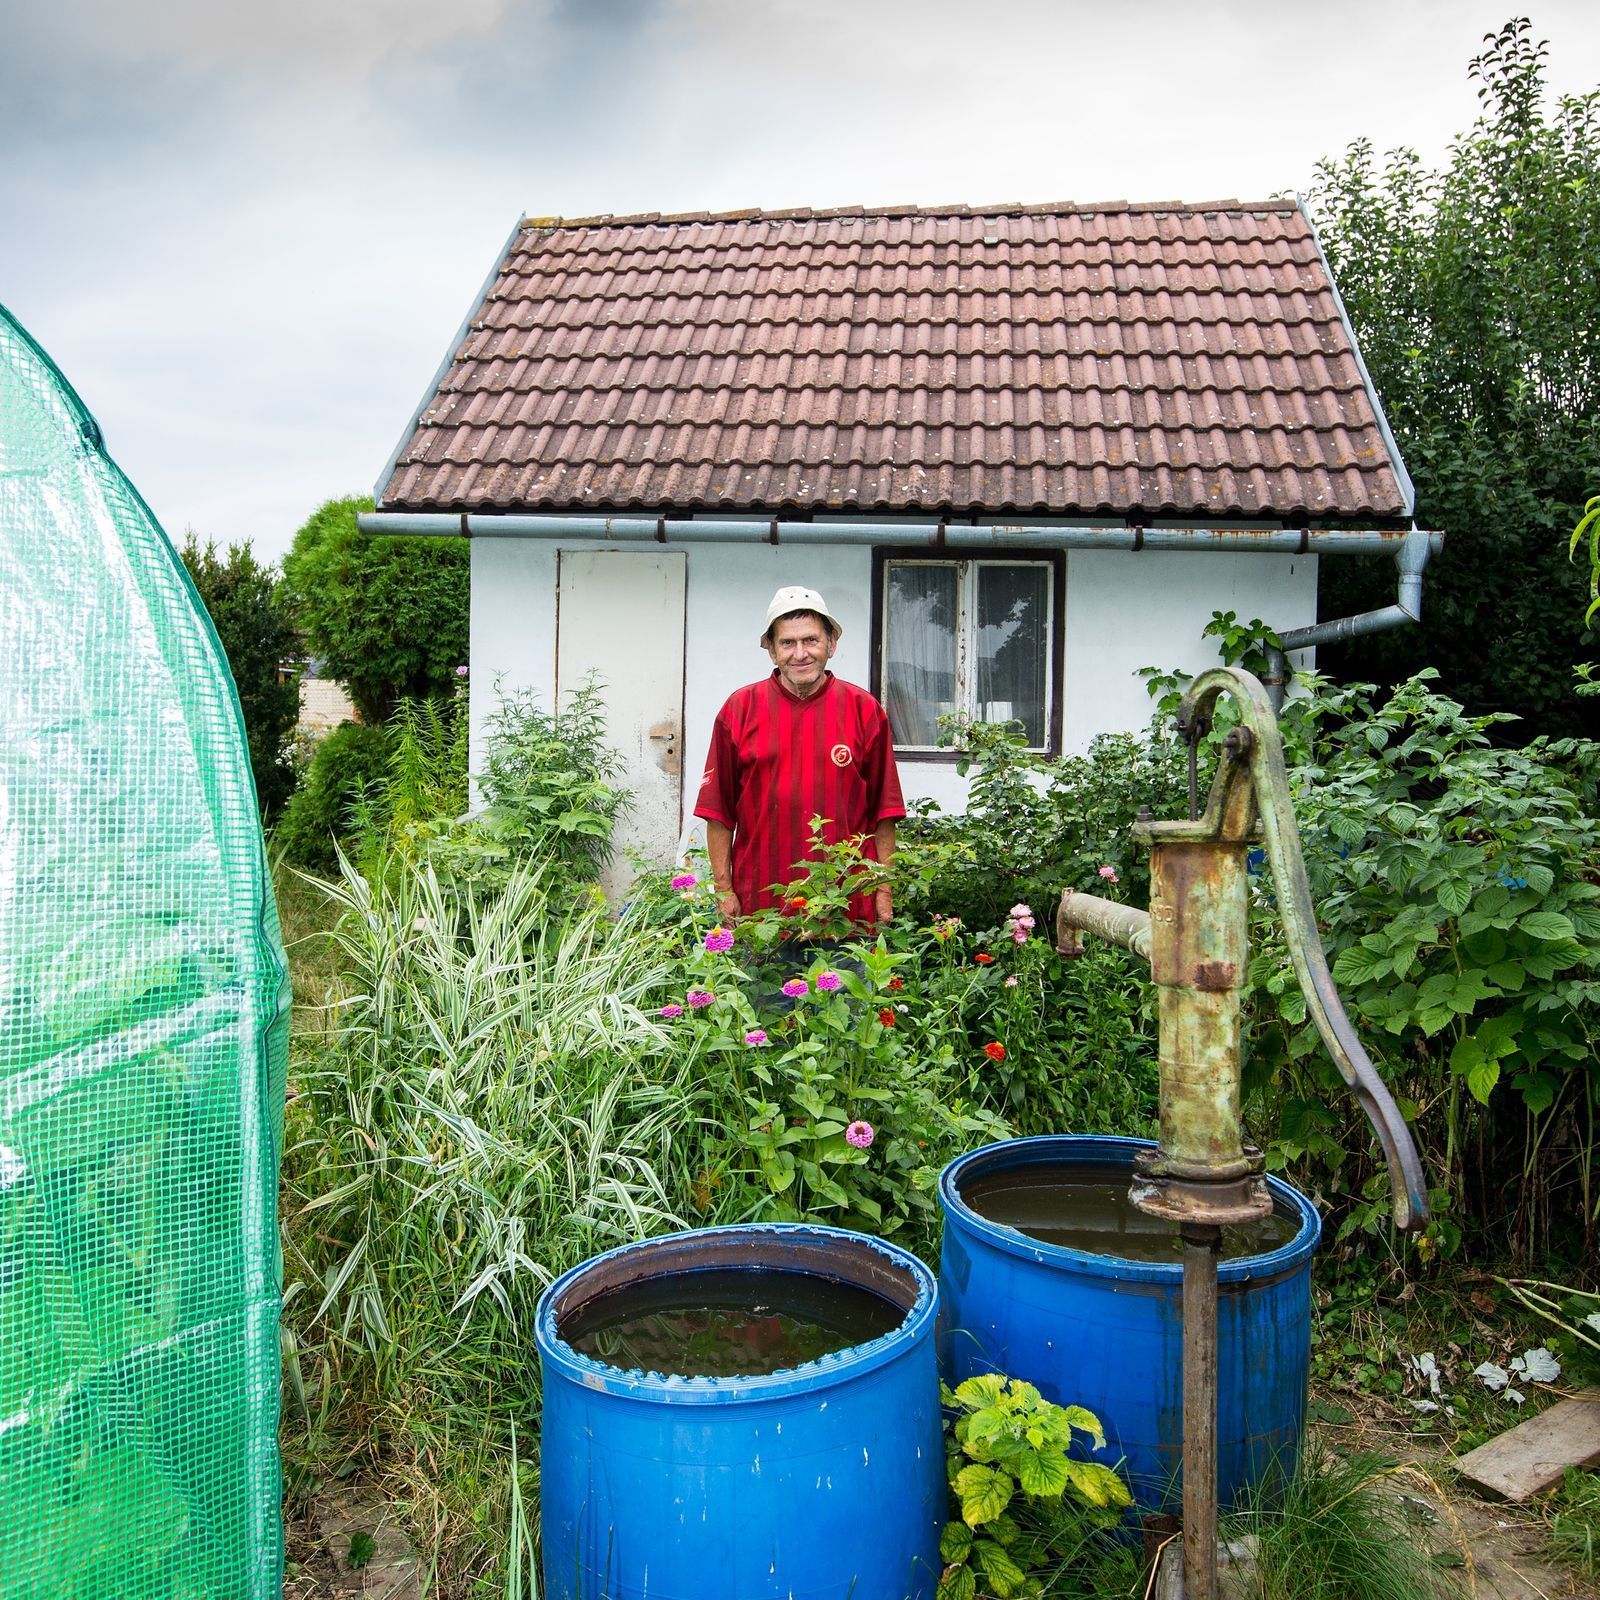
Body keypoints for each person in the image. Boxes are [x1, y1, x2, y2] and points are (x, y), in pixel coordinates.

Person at [695, 585, 905, 926]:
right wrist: (723, 890)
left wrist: (884, 889)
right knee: (758, 981)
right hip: (759, 908)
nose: (800, 653)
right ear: (771, 651)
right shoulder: (740, 710)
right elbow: (718, 812)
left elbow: (886, 811)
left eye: (811, 640)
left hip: (848, 907)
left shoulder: (864, 710)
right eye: (787, 643)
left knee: (846, 981)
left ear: (831, 644)